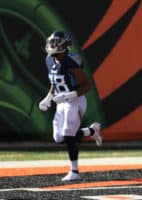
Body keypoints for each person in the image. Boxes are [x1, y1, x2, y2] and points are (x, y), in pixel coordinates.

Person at [38, 31, 102, 181]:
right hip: (62, 102)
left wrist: (68, 96)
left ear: (64, 45)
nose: (52, 45)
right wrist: (48, 98)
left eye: (56, 42)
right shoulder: (49, 59)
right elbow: (55, 83)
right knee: (59, 138)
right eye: (52, 42)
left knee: (68, 133)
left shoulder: (71, 61)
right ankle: (92, 131)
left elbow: (86, 86)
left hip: (76, 100)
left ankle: (74, 171)